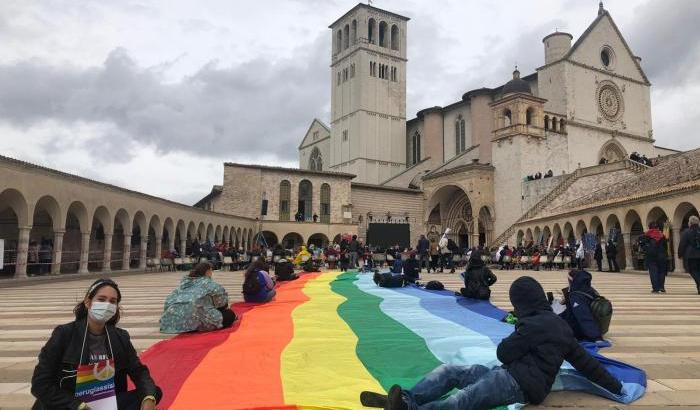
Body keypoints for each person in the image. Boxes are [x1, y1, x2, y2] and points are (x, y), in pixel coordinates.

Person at [361, 276, 621, 409]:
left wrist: (518, 331)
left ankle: (409, 406)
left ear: (522, 303)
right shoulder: (560, 327)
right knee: (456, 373)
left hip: (519, 385)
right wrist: (614, 384)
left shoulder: (532, 325)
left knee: (464, 397)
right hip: (509, 376)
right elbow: (586, 363)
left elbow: (504, 352)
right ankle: (405, 400)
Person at [32, 279, 161, 410]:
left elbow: (139, 372)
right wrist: (79, 405)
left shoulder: (120, 337)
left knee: (153, 393)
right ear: (88, 302)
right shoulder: (64, 334)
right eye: (101, 299)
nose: (107, 305)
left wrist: (149, 397)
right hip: (71, 404)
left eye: (112, 301)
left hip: (104, 403)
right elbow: (40, 384)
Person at [160, 262, 236, 333]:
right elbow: (222, 302)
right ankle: (195, 325)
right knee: (230, 314)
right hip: (197, 317)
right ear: (207, 272)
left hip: (172, 321)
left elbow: (169, 301)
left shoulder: (185, 283)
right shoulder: (208, 283)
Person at [559, 270, 604, 341]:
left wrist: (596, 337)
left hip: (577, 330)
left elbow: (584, 316)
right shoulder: (590, 290)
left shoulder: (576, 296)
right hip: (594, 324)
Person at [640, 222, 668, 293]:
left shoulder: (647, 235)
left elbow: (642, 244)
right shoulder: (662, 235)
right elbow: (665, 246)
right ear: (657, 228)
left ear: (649, 227)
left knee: (653, 272)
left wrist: (646, 250)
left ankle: (655, 288)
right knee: (661, 271)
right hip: (661, 256)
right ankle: (661, 287)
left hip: (651, 256)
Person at [678, 215, 700, 294]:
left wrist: (680, 254)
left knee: (693, 270)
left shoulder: (686, 232)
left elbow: (682, 244)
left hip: (691, 255)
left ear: (690, 223)